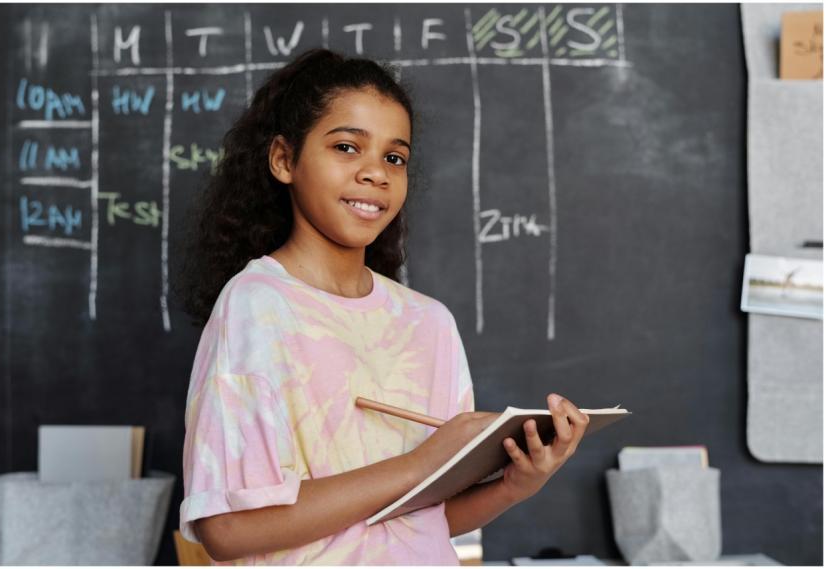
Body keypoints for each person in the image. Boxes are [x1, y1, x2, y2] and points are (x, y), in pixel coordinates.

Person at [176, 47, 589, 565]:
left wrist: (514, 485)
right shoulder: (255, 308)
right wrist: (420, 464)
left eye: (394, 157)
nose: (376, 173)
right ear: (284, 159)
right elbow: (227, 530)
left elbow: (428, 519)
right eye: (347, 147)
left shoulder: (429, 322)